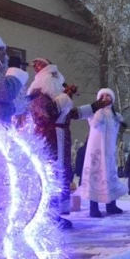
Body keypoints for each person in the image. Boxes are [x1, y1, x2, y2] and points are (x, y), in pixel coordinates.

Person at [27, 60, 111, 228]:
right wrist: (66, 96)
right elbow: (45, 114)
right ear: (46, 78)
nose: (58, 79)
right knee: (50, 175)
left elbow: (73, 113)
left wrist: (97, 105)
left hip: (61, 138)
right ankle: (47, 216)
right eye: (54, 76)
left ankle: (56, 214)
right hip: (48, 139)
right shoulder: (38, 95)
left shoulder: (56, 96)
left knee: (62, 175)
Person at [76, 88, 128, 217]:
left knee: (109, 176)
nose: (105, 98)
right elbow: (94, 124)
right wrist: (99, 110)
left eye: (108, 96)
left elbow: (120, 127)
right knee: (95, 176)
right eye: (103, 96)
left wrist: (120, 120)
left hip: (109, 153)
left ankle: (111, 205)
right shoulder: (94, 112)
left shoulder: (114, 115)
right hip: (96, 152)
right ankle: (93, 208)